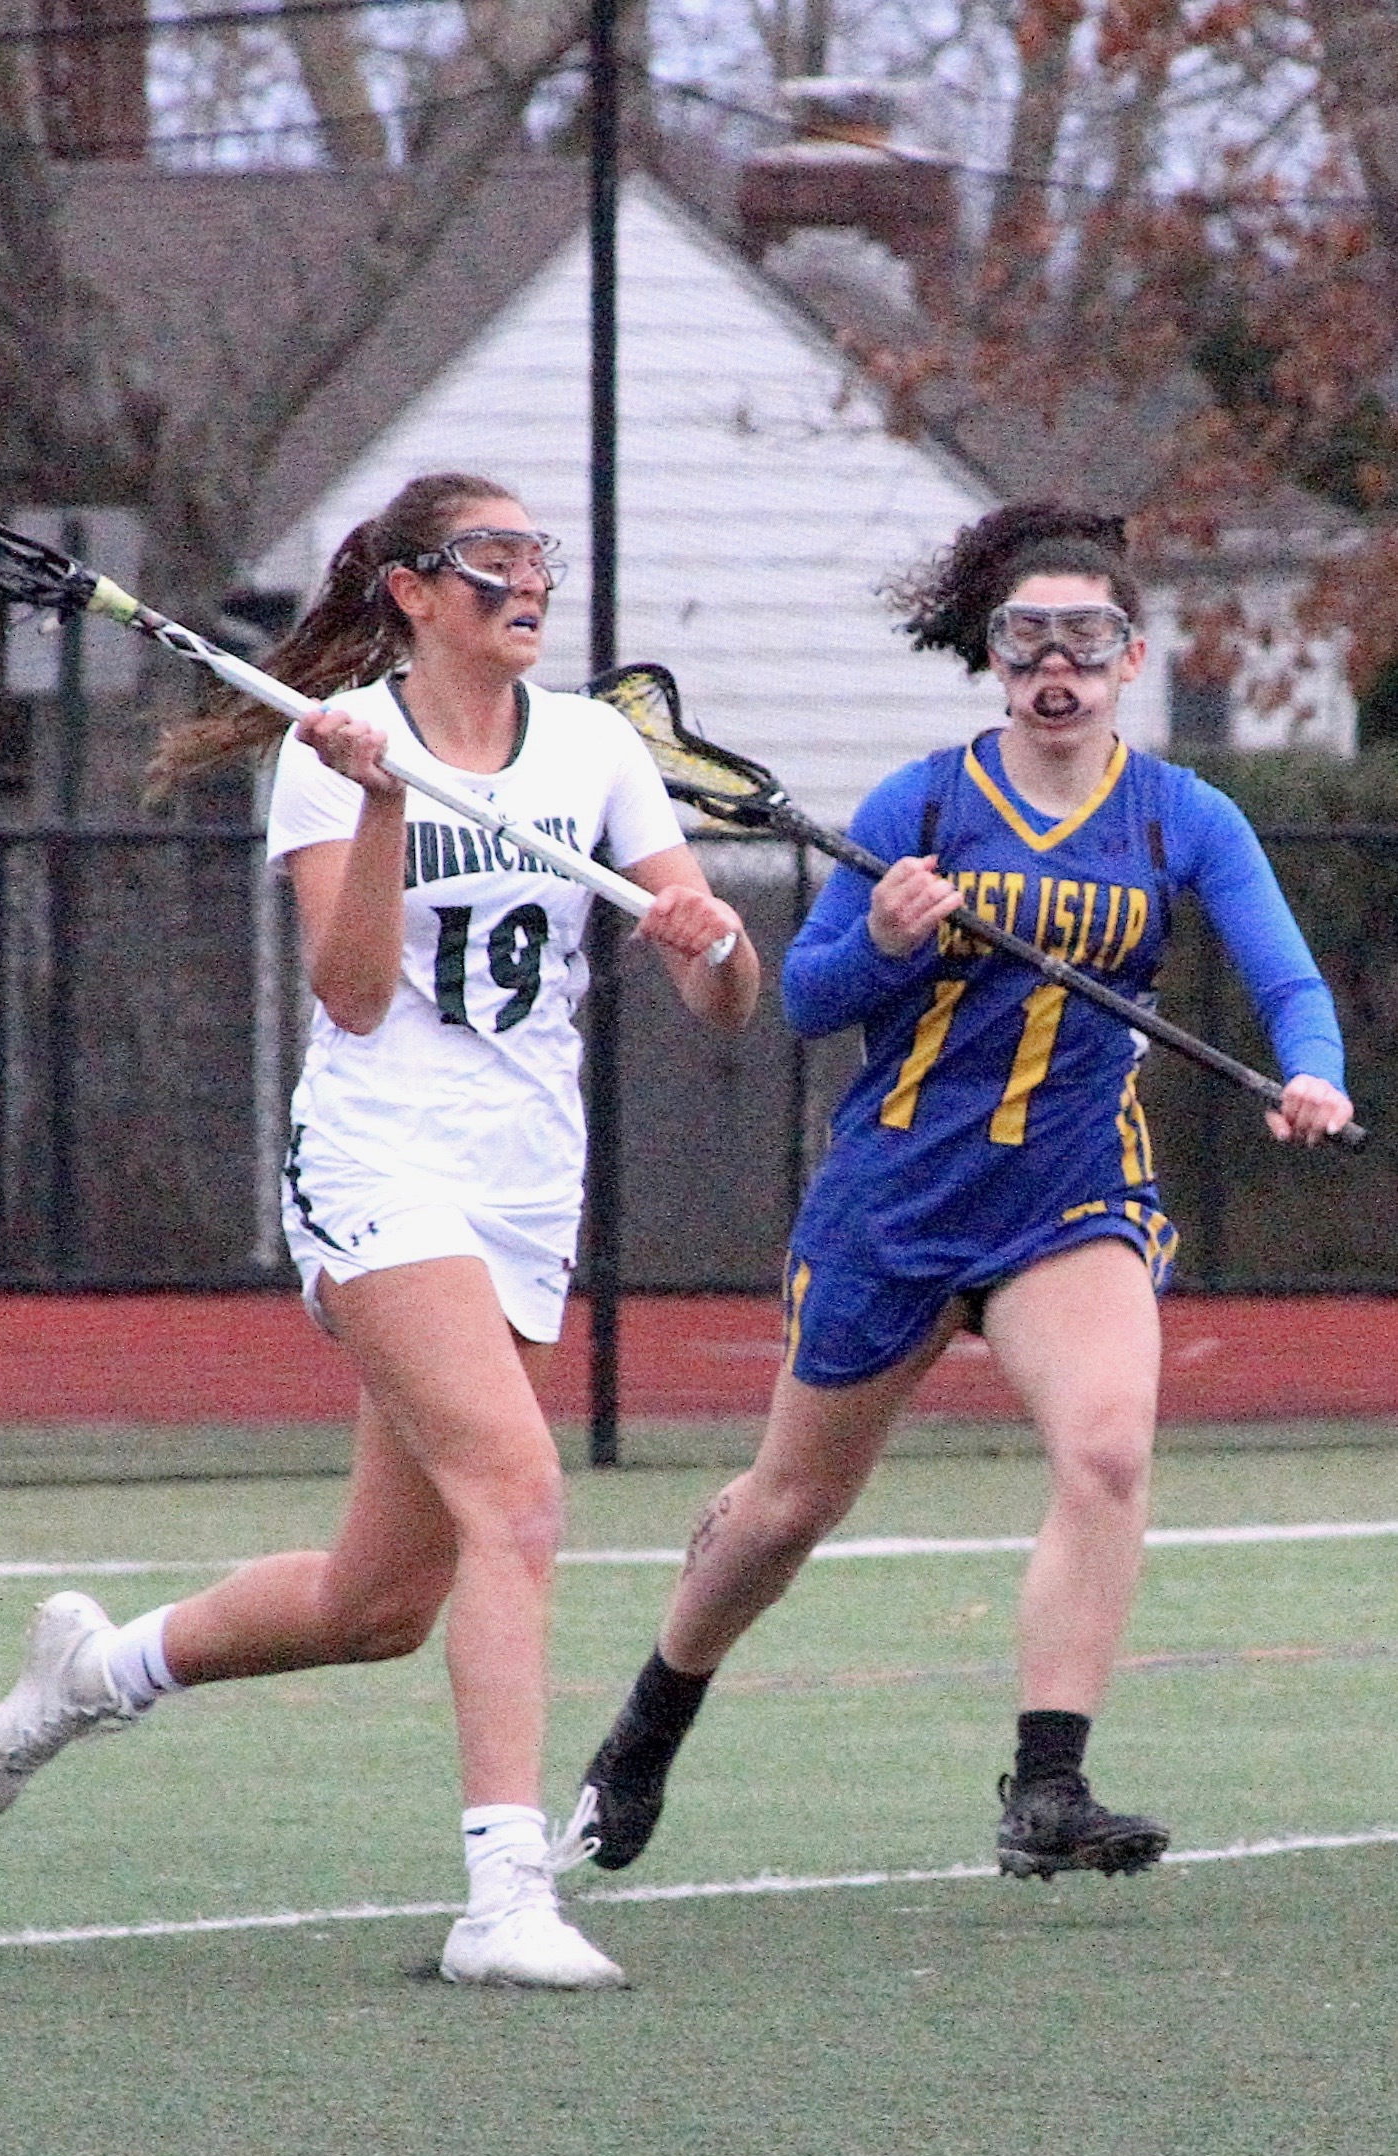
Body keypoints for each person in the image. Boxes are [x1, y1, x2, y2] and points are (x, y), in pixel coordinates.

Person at [0, 472, 760, 1989]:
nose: (527, 583)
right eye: (491, 560)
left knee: (377, 1602)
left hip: (526, 1185)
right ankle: (499, 1895)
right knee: (517, 1495)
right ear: (411, 588)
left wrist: (709, 945)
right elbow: (350, 993)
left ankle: (92, 1673)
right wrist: (385, 798)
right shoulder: (337, 757)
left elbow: (723, 1001)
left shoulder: (591, 745)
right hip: (379, 1162)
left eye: (540, 559)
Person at [578, 502, 1353, 1890]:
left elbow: (1285, 977)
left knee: (1107, 1450)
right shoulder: (920, 807)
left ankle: (1046, 1787)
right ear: (992, 657)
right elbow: (804, 1000)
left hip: (1071, 1192)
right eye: (1026, 641)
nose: (1054, 668)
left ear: (1127, 657)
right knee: (788, 1509)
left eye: (1084, 641)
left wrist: (1311, 1074)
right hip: (896, 1202)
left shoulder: (1182, 815)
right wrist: (881, 938)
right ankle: (649, 1720)